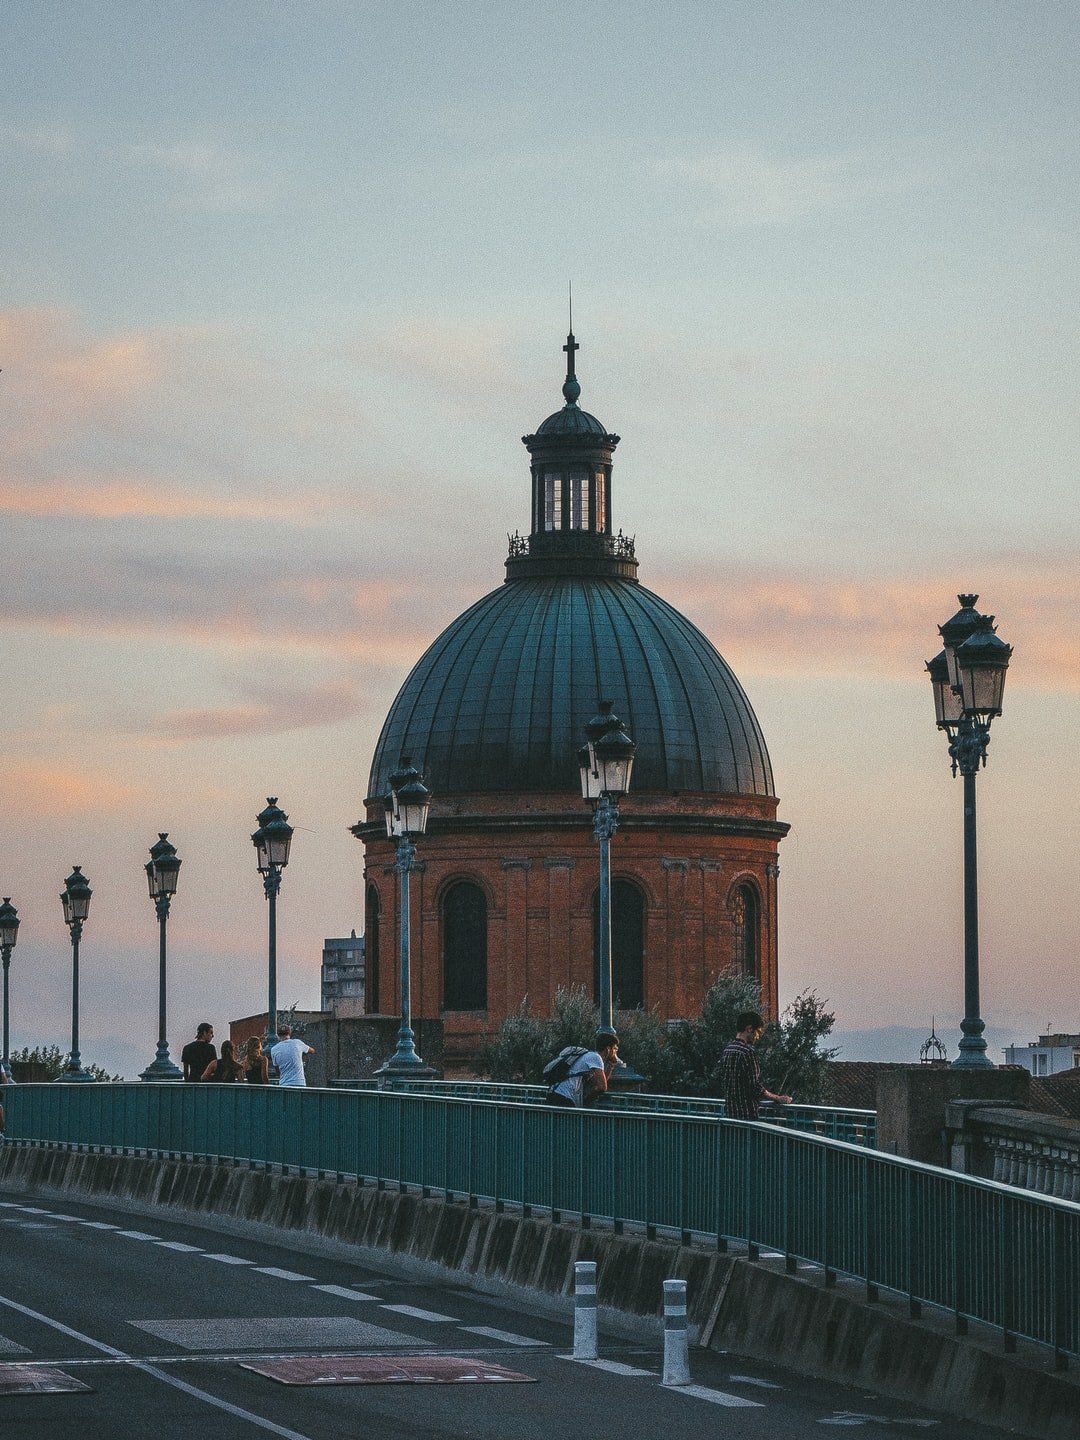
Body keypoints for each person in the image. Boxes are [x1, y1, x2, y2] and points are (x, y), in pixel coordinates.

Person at [719, 1010, 791, 1120]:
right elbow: (755, 1086)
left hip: (731, 1115)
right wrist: (777, 1098)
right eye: (758, 1032)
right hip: (746, 1115)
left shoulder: (727, 1050)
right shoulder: (747, 1052)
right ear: (749, 1029)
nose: (758, 1037)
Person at [548, 1032, 620, 1108]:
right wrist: (587, 1100)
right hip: (564, 1098)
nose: (616, 1051)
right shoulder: (596, 1058)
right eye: (615, 1048)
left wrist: (611, 1066)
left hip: (556, 1093)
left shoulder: (589, 1056)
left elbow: (596, 1082)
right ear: (608, 1049)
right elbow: (602, 1087)